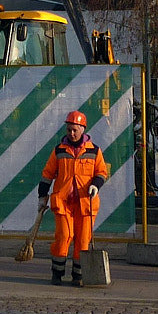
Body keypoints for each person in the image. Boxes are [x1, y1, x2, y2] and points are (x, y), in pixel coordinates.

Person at [38, 110, 108, 286]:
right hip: (63, 203)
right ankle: (57, 273)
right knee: (64, 236)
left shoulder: (94, 151)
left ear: (83, 129)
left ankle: (78, 275)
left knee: (83, 240)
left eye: (75, 130)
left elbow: (101, 172)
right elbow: (47, 174)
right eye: (69, 129)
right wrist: (42, 196)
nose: (71, 133)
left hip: (86, 204)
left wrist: (95, 185)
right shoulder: (59, 151)